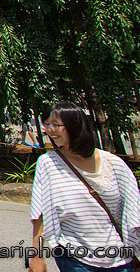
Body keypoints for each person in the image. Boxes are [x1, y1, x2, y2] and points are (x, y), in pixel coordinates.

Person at [29, 102, 140, 272]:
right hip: (75, 258)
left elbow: (133, 211)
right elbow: (40, 213)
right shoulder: (48, 163)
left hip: (119, 258)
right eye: (47, 124)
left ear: (75, 126)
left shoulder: (114, 164)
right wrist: (37, 257)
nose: (50, 130)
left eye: (56, 125)